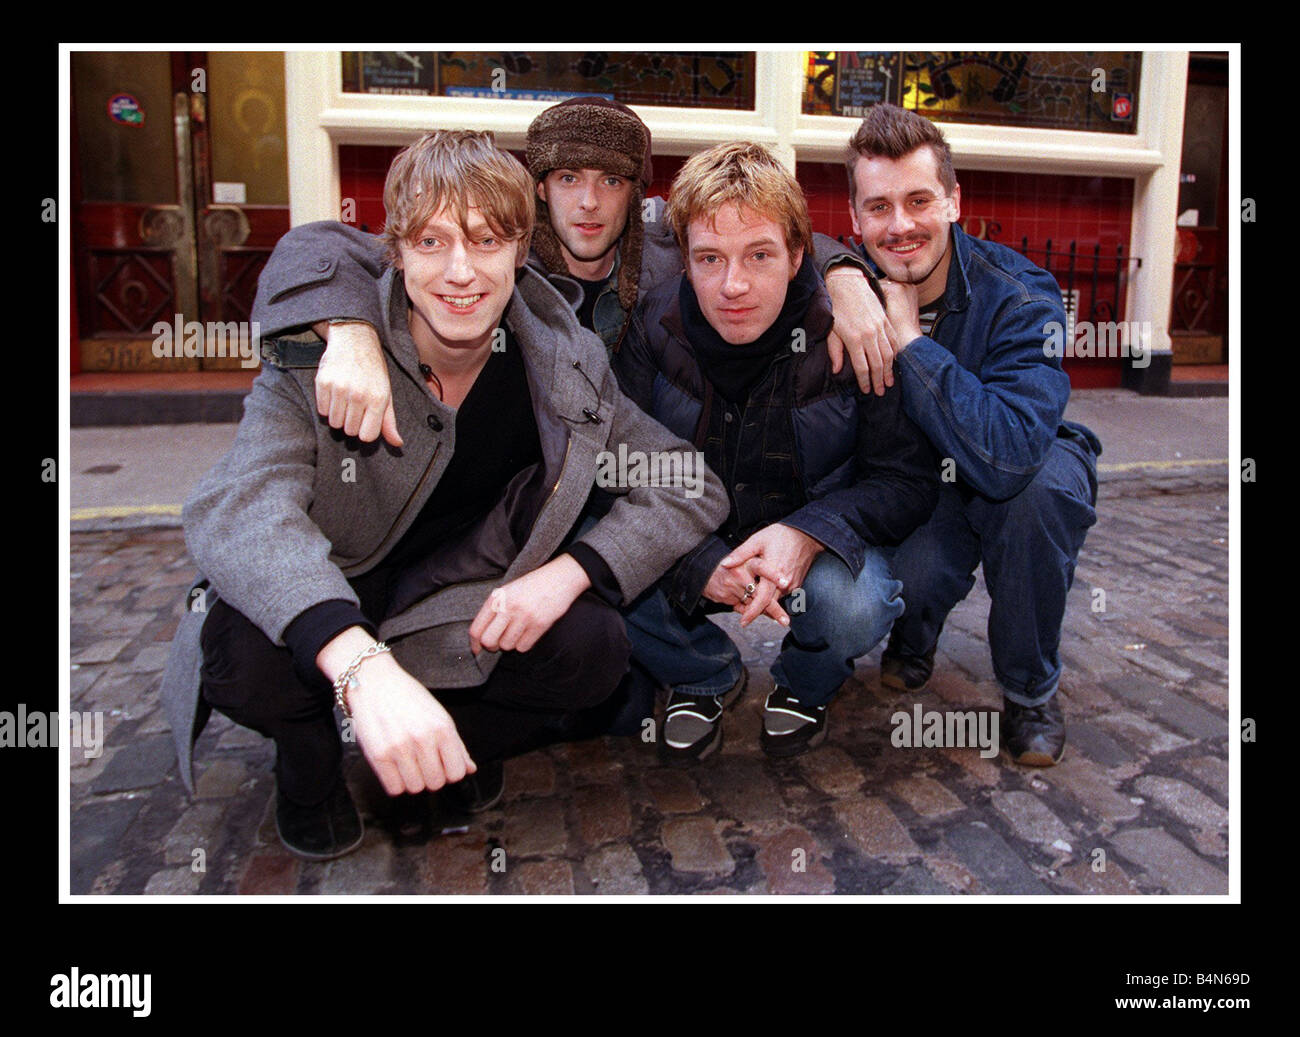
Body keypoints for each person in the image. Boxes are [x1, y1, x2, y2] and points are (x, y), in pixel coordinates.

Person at [159, 130, 728, 860]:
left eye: (487, 240)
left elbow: (690, 483)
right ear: (395, 252)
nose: (461, 272)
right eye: (432, 242)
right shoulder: (327, 351)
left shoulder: (563, 368)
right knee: (239, 651)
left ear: (521, 250)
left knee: (594, 648)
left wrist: (574, 568)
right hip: (328, 594)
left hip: (450, 604)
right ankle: (308, 765)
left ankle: (455, 734)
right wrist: (358, 664)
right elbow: (237, 505)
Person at [268, 96, 900, 449]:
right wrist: (349, 332)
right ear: (540, 187)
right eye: (569, 178)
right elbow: (320, 246)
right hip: (521, 466)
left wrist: (842, 274)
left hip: (636, 459)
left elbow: (765, 235)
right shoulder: (500, 249)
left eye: (611, 181)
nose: (590, 202)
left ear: (635, 191)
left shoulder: (665, 248)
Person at [612, 141, 940, 760]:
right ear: (684, 260)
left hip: (810, 539)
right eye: (709, 258)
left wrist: (808, 533)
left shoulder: (851, 329)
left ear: (796, 256)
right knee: (596, 574)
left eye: (758, 255)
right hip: (689, 534)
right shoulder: (653, 326)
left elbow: (906, 481)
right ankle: (703, 671)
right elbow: (622, 471)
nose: (732, 286)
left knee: (855, 604)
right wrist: (694, 561)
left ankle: (806, 682)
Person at [841, 104, 1101, 766]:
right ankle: (916, 631)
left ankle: (1030, 688)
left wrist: (907, 340)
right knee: (919, 567)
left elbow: (1008, 454)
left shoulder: (1021, 295)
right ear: (854, 218)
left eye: (919, 200)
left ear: (955, 201)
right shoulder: (848, 280)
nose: (899, 226)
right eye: (878, 207)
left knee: (1036, 497)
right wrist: (833, 271)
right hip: (921, 478)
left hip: (1022, 456)